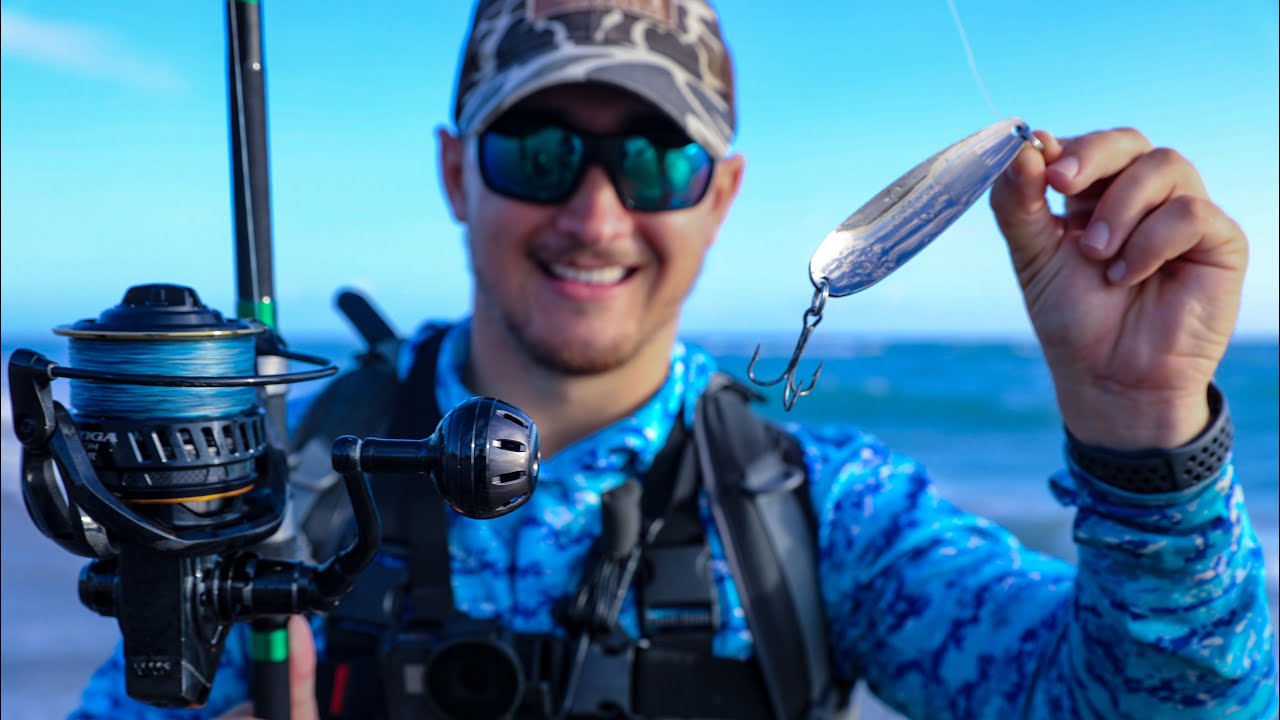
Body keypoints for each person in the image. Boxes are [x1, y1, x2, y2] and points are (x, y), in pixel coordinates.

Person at [72, 1, 1276, 718]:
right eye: (537, 151)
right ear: (454, 171)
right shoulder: (269, 498)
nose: (595, 213)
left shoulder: (822, 514)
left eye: (656, 160)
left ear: (722, 196)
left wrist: (1144, 439)